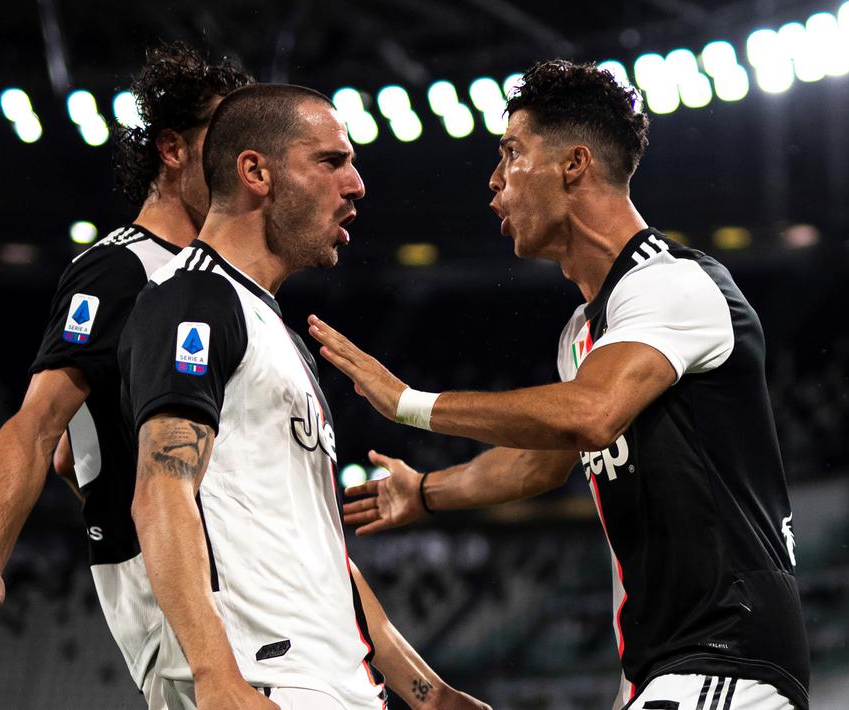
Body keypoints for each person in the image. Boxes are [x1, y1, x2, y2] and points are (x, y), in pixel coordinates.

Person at [307, 60, 811, 710]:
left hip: (727, 657)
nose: (493, 181)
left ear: (574, 165)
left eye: (510, 154)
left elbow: (590, 414)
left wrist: (411, 404)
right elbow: (538, 464)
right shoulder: (583, 329)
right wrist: (427, 493)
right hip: (669, 671)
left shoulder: (673, 285)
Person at [118, 83, 490, 710]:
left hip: (331, 682)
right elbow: (161, 488)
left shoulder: (277, 332)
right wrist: (216, 678)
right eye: (331, 161)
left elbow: (323, 551)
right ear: (256, 171)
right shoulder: (194, 300)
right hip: (267, 680)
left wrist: (430, 696)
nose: (357, 184)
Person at [0, 43, 251, 708]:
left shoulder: (209, 274)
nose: (239, 161)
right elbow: (37, 425)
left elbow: (64, 457)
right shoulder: (118, 271)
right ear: (172, 150)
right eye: (221, 142)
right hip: (170, 574)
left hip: (219, 565)